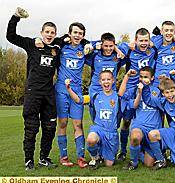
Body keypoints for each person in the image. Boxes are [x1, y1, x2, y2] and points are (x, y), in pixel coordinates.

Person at [6, 7, 59, 170]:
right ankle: (29, 160)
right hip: (33, 93)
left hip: (49, 94)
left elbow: (75, 37)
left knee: (50, 128)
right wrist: (15, 17)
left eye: (52, 32)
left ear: (55, 34)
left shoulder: (57, 47)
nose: (49, 35)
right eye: (47, 32)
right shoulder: (32, 44)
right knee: (31, 128)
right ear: (41, 32)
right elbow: (11, 36)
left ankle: (44, 158)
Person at [116, 28, 158, 161]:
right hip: (131, 91)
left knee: (155, 116)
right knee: (127, 121)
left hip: (148, 90)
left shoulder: (153, 50)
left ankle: (153, 149)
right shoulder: (130, 50)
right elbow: (114, 45)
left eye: (146, 40)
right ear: (136, 40)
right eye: (141, 40)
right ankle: (123, 151)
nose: (144, 43)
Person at [65, 70, 121, 168]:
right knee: (91, 139)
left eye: (108, 79)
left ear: (113, 81)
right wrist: (69, 89)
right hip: (98, 129)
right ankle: (95, 157)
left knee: (109, 164)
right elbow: (79, 100)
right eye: (103, 80)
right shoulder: (95, 96)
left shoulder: (118, 97)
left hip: (111, 133)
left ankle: (105, 152)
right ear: (100, 82)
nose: (106, 82)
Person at [56, 22, 90, 168]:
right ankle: (63, 157)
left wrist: (89, 44)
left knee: (78, 124)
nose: (77, 35)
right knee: (63, 123)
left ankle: (81, 158)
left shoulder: (84, 49)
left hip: (76, 91)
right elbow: (53, 43)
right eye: (75, 32)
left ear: (83, 36)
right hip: (61, 90)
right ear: (69, 34)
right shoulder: (62, 47)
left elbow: (102, 45)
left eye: (80, 33)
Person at [119, 67, 162, 170]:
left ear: (152, 78)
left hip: (153, 129)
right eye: (141, 76)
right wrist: (127, 77)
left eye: (146, 77)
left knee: (149, 164)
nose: (143, 79)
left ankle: (140, 153)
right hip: (139, 126)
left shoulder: (158, 90)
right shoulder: (135, 89)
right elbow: (120, 94)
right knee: (135, 136)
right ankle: (133, 162)